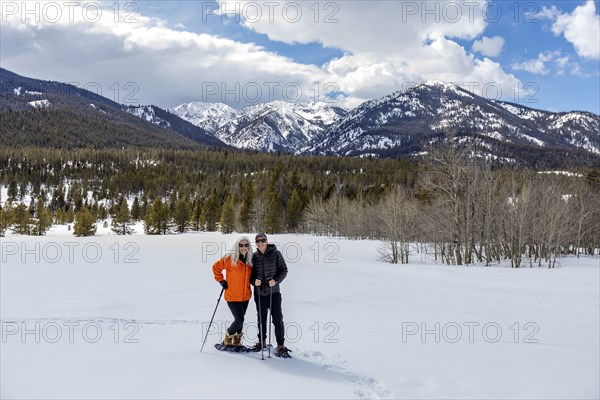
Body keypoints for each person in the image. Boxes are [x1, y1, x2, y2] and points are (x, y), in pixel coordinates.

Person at [251, 232, 290, 357]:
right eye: (258, 241)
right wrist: (253, 281)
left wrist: (276, 280)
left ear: (267, 241)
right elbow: (249, 275)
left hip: (274, 293)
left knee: (277, 319)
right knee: (261, 319)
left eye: (263, 241)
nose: (261, 243)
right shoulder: (254, 256)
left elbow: (284, 270)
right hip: (259, 294)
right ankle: (261, 342)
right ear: (256, 243)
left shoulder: (276, 254)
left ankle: (280, 345)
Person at [212, 236, 253, 347]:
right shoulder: (230, 259)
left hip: (245, 296)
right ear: (237, 246)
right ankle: (227, 337)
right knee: (239, 319)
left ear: (249, 247)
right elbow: (216, 267)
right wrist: (221, 280)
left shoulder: (250, 261)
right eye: (241, 245)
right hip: (232, 295)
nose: (243, 247)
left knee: (241, 319)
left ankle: (237, 341)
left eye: (246, 245)